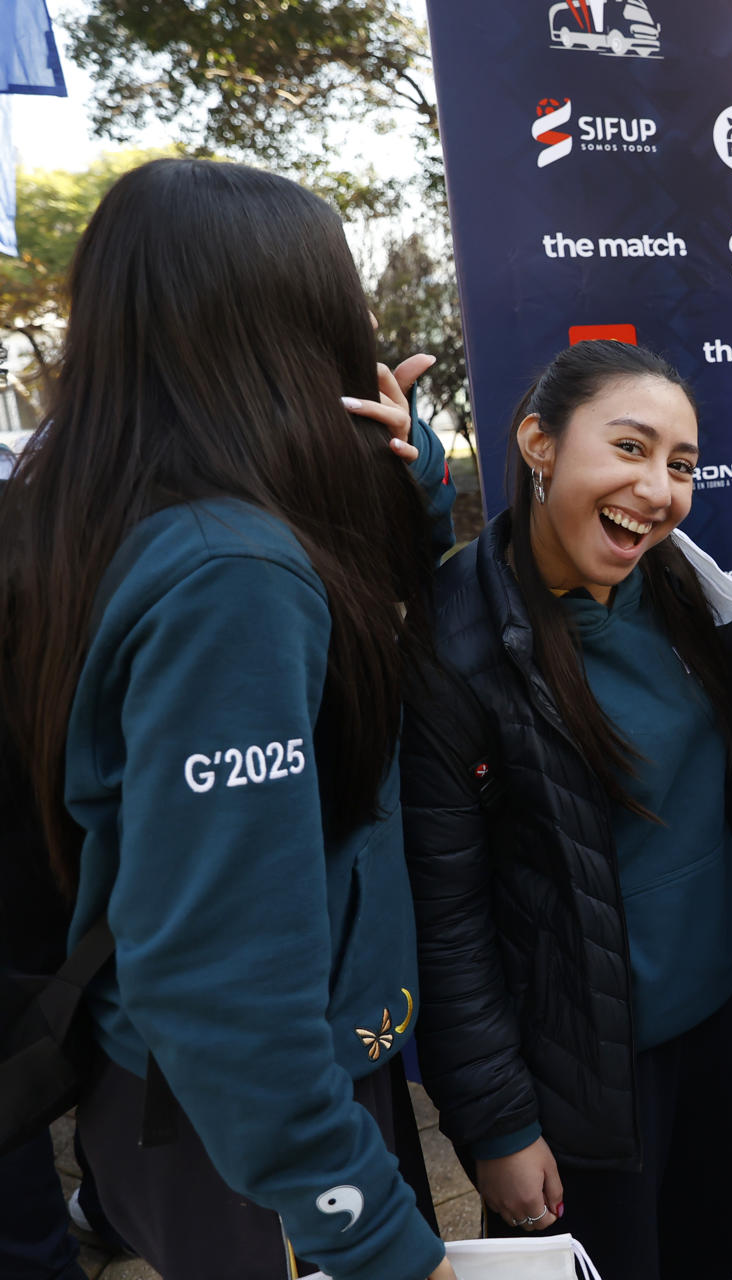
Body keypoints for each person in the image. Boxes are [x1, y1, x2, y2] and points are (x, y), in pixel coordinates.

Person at [0, 158, 455, 1279]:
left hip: (210, 1103)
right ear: (290, 328)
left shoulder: (102, 520)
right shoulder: (232, 579)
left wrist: (411, 492)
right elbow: (220, 974)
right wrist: (373, 1228)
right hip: (256, 1125)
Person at [399, 339, 732, 1280]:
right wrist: (497, 1126)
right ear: (539, 441)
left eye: (682, 465)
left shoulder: (673, 581)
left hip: (716, 1031)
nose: (658, 490)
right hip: (588, 1085)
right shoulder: (459, 639)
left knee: (710, 1247)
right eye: (629, 447)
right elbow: (449, 923)